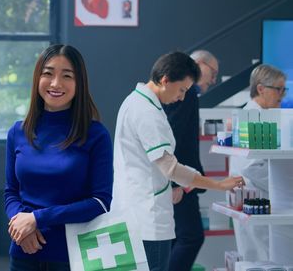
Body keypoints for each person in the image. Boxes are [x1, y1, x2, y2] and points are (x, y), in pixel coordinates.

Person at [114, 51, 244, 271]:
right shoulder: (147, 113)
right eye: (182, 89)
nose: (182, 97)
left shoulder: (136, 101)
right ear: (165, 80)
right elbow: (171, 168)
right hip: (148, 218)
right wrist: (219, 184)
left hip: (140, 211)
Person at [4, 44, 113, 271]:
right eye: (48, 73)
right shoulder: (18, 132)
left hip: (73, 256)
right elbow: (11, 192)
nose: (55, 83)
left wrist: (36, 219)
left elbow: (100, 202)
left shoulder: (95, 134)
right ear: (37, 79)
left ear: (79, 83)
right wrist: (21, 222)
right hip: (24, 250)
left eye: (67, 76)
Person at [162, 50, 219, 271]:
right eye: (212, 73)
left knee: (178, 238)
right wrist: (177, 182)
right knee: (191, 237)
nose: (213, 80)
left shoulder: (184, 93)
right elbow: (173, 135)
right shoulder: (186, 93)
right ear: (199, 64)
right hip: (181, 180)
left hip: (180, 177)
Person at [231, 64, 287, 262]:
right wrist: (285, 183)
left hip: (258, 197)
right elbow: (252, 166)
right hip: (257, 197)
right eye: (278, 89)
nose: (282, 94)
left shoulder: (263, 115)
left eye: (284, 89)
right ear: (261, 88)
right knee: (262, 257)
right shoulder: (252, 117)